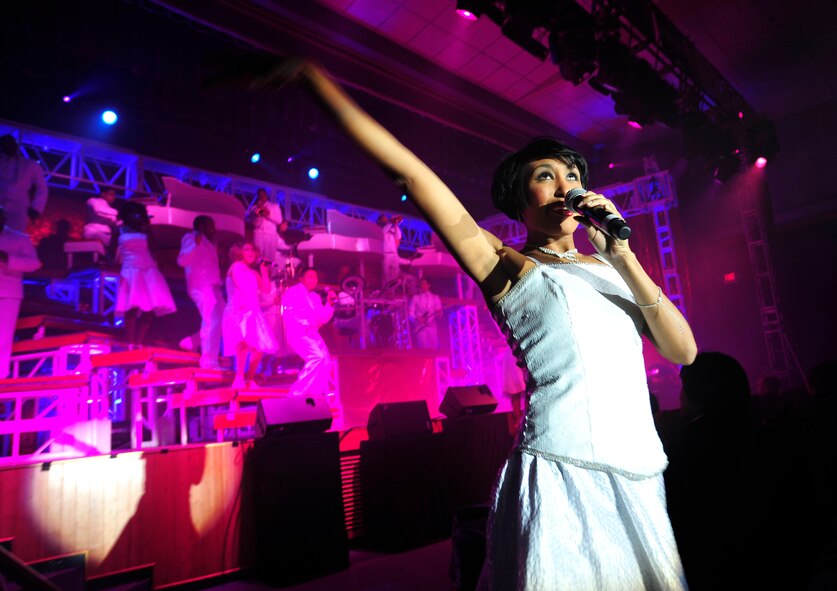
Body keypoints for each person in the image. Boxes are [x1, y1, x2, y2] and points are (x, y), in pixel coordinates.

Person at [253, 59, 698, 589]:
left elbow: (683, 351)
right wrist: (313, 80)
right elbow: (412, 176)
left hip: (640, 470)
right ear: (519, 199)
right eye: (546, 176)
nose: (565, 186)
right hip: (561, 470)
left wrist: (625, 260)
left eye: (572, 175)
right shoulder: (509, 265)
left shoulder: (613, 267)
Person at [114, 201, 176, 348]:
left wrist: (148, 229)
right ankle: (129, 342)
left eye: (139, 213)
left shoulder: (146, 230)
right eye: (134, 213)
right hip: (130, 270)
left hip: (148, 269)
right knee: (131, 307)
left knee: (149, 308)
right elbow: (113, 252)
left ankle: (139, 342)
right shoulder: (120, 230)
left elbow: (154, 249)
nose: (137, 216)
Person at [222, 242, 278, 389]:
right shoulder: (236, 266)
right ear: (239, 252)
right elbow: (242, 285)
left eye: (253, 249)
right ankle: (239, 378)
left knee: (258, 347)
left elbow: (266, 289)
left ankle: (249, 378)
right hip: (239, 309)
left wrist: (263, 271)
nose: (251, 252)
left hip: (252, 310)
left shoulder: (253, 272)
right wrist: (247, 305)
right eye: (247, 249)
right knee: (243, 344)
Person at [177, 215, 225, 369]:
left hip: (213, 286)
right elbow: (182, 261)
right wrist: (195, 245)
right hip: (200, 286)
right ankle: (209, 361)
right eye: (211, 225)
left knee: (225, 321)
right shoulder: (191, 237)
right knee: (211, 321)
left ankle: (191, 342)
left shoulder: (211, 242)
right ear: (202, 226)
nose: (214, 229)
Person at [281, 266, 336, 397]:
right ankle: (296, 393)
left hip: (312, 334)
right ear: (301, 279)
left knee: (326, 362)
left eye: (315, 277)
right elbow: (288, 314)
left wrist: (330, 304)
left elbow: (323, 318)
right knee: (317, 357)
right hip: (298, 333)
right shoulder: (292, 292)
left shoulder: (315, 297)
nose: (314, 279)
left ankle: (315, 393)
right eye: (310, 276)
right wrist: (307, 323)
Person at [0, 205, 41, 378]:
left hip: (9, 291)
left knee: (3, 337)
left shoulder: (19, 239)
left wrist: (7, 259)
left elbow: (35, 264)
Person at [0, 135, 48, 233]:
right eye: (5, 145)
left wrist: (36, 208)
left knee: (14, 239)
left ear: (16, 146)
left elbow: (42, 187)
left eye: (11, 144)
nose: (9, 147)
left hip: (19, 208)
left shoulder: (30, 165)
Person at [246, 187, 286, 265]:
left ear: (266, 196)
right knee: (258, 255)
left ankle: (269, 274)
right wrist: (260, 212)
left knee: (270, 257)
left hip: (271, 233)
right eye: (259, 196)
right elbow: (251, 218)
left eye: (263, 195)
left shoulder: (274, 206)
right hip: (258, 233)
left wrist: (267, 214)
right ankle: (258, 273)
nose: (261, 197)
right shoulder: (254, 208)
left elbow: (279, 220)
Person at [82, 187, 121, 256]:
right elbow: (99, 209)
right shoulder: (93, 200)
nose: (113, 197)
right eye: (111, 194)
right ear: (103, 194)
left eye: (114, 195)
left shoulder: (109, 208)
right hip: (94, 231)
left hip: (107, 234)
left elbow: (114, 221)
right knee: (112, 241)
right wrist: (115, 212)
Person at [408, 277, 442, 349]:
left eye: (423, 284)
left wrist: (439, 313)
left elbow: (439, 313)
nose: (421, 286)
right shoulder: (415, 298)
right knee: (423, 346)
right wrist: (417, 318)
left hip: (432, 326)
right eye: (421, 284)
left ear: (428, 285)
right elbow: (410, 312)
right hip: (420, 326)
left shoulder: (435, 298)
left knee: (434, 346)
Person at [377, 213, 403, 287]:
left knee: (395, 272)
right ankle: (385, 289)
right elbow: (384, 231)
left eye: (386, 218)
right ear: (380, 221)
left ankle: (393, 290)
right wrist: (392, 222)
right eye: (384, 219)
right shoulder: (380, 229)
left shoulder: (391, 228)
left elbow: (398, 236)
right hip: (386, 253)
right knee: (386, 273)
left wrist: (396, 224)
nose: (386, 220)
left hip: (394, 253)